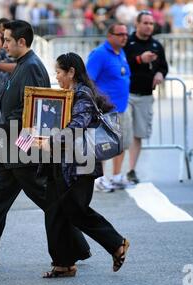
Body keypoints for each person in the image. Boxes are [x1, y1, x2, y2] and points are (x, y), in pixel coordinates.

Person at [0, 20, 91, 268]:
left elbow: (31, 112)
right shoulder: (22, 65)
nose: (4, 44)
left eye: (7, 40)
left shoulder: (31, 67)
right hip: (12, 145)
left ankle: (79, 247)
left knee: (48, 200)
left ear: (21, 41)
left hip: (22, 146)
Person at [33, 52, 130, 278]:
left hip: (80, 164)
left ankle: (117, 243)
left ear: (71, 72)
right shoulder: (69, 94)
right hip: (62, 162)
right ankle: (63, 264)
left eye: (58, 72)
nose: (55, 76)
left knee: (75, 210)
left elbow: (77, 126)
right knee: (56, 212)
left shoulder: (82, 95)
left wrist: (51, 141)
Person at [124, 10, 168, 184]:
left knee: (138, 134)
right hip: (127, 94)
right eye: (146, 23)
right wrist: (139, 60)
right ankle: (116, 170)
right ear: (137, 24)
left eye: (151, 23)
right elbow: (122, 63)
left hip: (146, 95)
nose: (149, 26)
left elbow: (164, 66)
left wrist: (160, 74)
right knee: (123, 132)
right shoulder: (128, 42)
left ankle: (131, 170)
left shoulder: (157, 45)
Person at [86, 23, 132, 192]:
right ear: (110, 35)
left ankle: (117, 176)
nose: (124, 37)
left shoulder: (121, 52)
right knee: (103, 145)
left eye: (126, 34)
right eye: (120, 34)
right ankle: (100, 179)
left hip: (122, 107)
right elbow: (89, 79)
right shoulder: (99, 54)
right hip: (106, 110)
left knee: (121, 143)